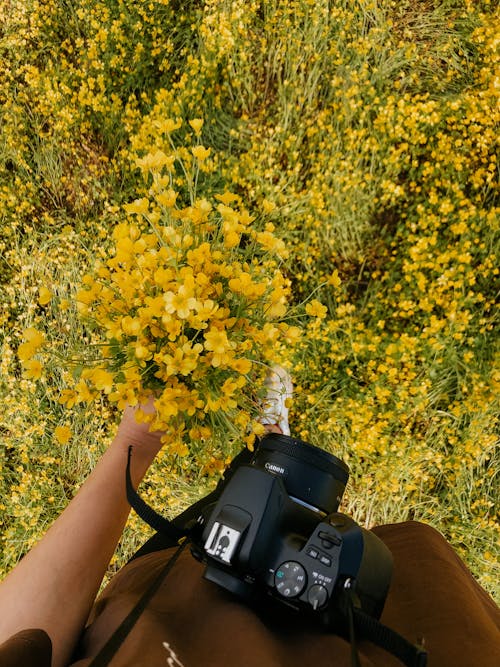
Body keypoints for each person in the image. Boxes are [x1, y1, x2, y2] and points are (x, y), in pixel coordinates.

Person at [0, 369, 498, 667]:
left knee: (243, 529)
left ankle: (263, 462)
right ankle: (269, 468)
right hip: (381, 643)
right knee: (357, 563)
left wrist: (138, 441)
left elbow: (17, 641)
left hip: (164, 618)